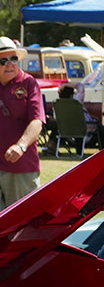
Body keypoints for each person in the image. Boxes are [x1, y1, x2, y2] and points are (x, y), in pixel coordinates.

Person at [0, 37, 43, 209]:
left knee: (21, 220)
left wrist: (21, 146)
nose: (10, 65)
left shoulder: (29, 83)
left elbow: (37, 121)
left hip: (21, 168)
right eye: (3, 61)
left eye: (14, 59)